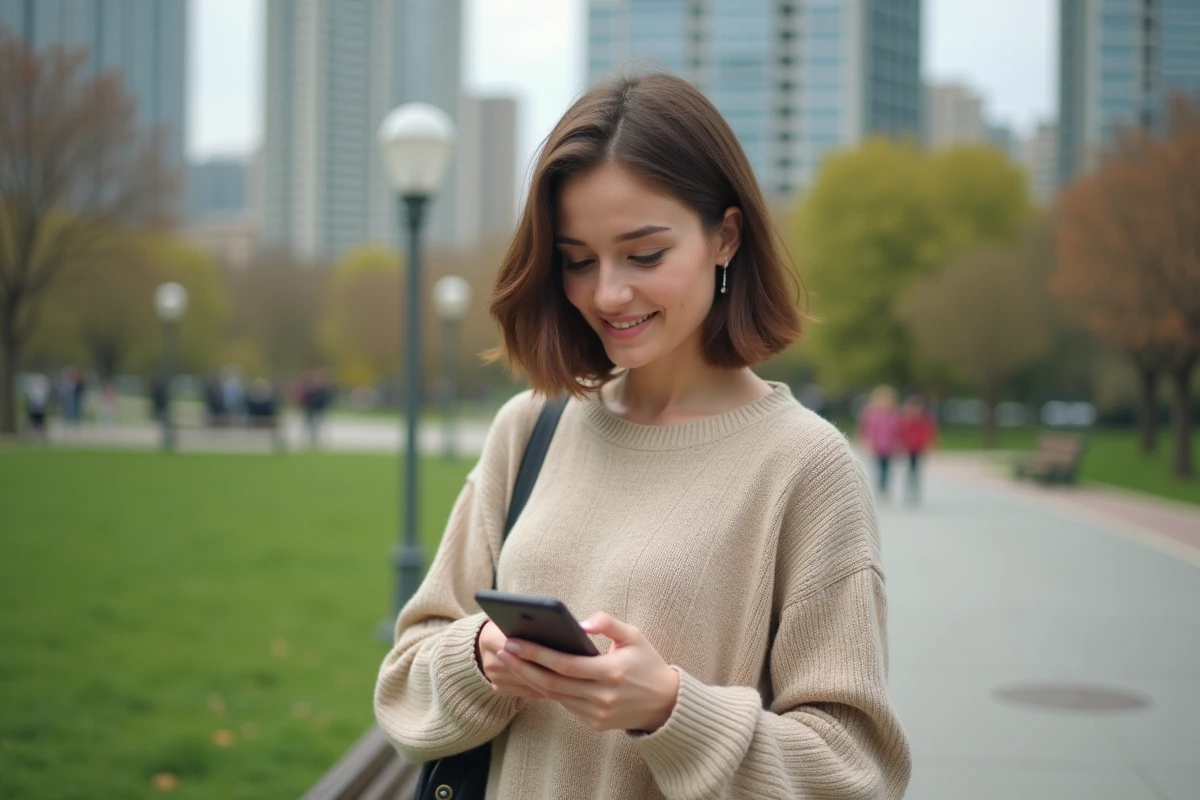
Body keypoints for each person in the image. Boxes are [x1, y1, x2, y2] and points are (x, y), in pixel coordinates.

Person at [374, 71, 911, 799]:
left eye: (645, 254)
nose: (608, 293)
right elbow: (403, 692)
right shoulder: (529, 427)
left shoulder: (806, 466)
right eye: (578, 260)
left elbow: (856, 771)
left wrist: (670, 711)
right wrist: (480, 657)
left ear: (725, 236)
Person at [857, 385, 901, 500]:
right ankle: (878, 486)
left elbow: (897, 431)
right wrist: (865, 441)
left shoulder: (894, 415)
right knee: (877, 467)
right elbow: (864, 428)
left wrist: (898, 443)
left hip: (889, 447)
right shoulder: (871, 414)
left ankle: (884, 486)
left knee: (887, 468)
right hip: (876, 446)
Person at [899, 393, 939, 505]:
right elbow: (901, 433)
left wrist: (930, 445)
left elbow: (930, 433)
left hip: (919, 448)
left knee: (916, 469)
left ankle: (915, 490)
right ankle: (910, 490)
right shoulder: (905, 419)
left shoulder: (926, 419)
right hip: (909, 448)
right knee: (910, 469)